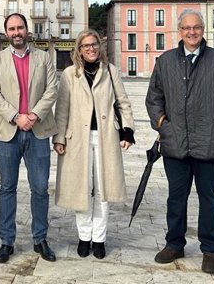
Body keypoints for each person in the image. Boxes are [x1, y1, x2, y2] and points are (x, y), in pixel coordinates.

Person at [145, 9, 214, 274]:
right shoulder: (165, 62)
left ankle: (210, 250)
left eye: (196, 27)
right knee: (176, 198)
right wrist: (163, 125)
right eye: (186, 28)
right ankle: (174, 244)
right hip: (175, 144)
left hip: (209, 144)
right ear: (179, 32)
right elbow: (154, 97)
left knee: (208, 198)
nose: (192, 32)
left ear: (203, 30)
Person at [53, 30, 135, 259]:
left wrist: (127, 131)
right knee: (81, 189)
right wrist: (58, 138)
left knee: (103, 190)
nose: (90, 48)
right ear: (78, 49)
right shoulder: (70, 74)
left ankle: (99, 239)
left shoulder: (111, 72)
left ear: (100, 47)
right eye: (85, 45)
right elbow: (62, 109)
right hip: (76, 139)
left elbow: (123, 102)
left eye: (94, 44)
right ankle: (84, 236)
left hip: (106, 137)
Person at [0, 13, 59, 263]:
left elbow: (52, 89)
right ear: (6, 32)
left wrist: (35, 115)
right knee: (7, 188)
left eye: (20, 28)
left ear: (27, 30)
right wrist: (16, 116)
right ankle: (7, 241)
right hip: (8, 133)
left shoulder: (44, 58)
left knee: (40, 188)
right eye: (11, 28)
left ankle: (40, 239)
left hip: (38, 132)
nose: (16, 32)